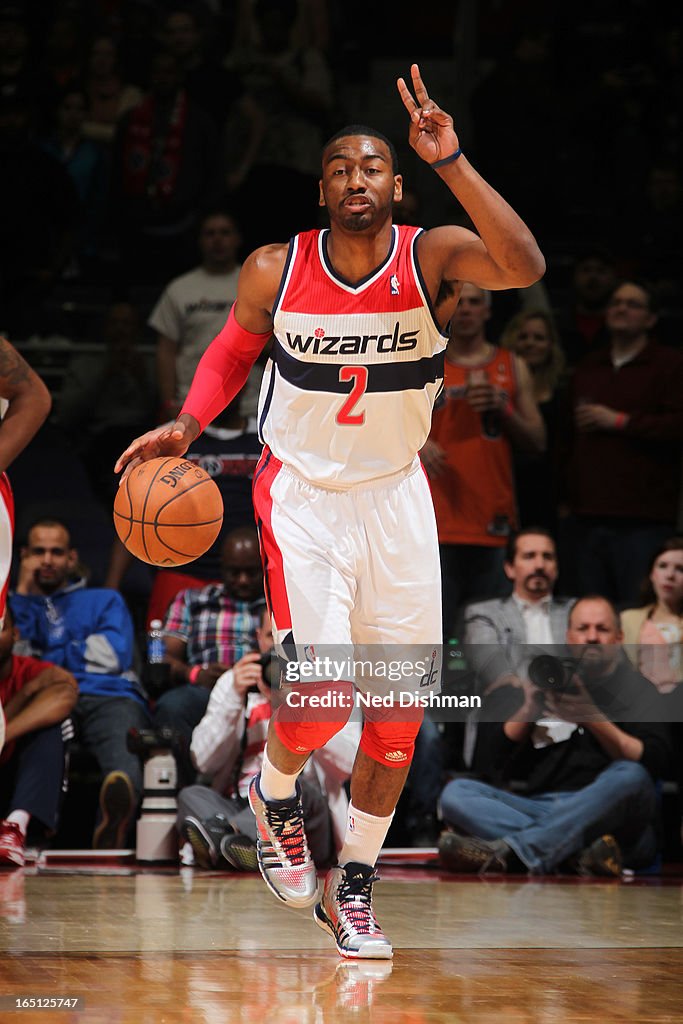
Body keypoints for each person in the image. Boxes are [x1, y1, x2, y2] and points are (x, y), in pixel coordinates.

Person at [115, 65, 545, 959]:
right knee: (317, 700)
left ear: (396, 184)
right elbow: (233, 348)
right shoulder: (276, 266)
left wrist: (452, 159)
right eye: (341, 167)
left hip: (396, 500)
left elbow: (523, 265)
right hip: (303, 496)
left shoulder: (433, 257)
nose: (358, 178)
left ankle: (352, 888)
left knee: (396, 720)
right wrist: (190, 422)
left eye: (375, 167)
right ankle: (272, 795)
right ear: (322, 189)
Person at [438, 597, 671, 876]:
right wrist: (529, 709)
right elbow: (490, 763)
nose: (592, 637)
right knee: (456, 794)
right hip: (543, 805)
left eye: (602, 629)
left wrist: (592, 717)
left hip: (609, 810)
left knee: (630, 774)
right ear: (568, 636)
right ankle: (575, 854)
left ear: (619, 637)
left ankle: (515, 853)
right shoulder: (555, 681)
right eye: (583, 628)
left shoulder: (638, 688)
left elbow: (654, 763)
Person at [178, 607, 359, 871]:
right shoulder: (235, 682)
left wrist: (301, 703)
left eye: (288, 638)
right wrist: (233, 698)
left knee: (294, 790)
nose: (278, 646)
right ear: (259, 639)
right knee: (191, 794)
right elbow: (203, 762)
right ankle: (239, 844)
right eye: (269, 636)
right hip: (239, 801)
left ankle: (225, 837)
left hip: (303, 814)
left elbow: (349, 765)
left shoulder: (331, 684)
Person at [9, 518, 150, 849]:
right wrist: (22, 594)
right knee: (42, 731)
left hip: (108, 694)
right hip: (50, 697)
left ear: (71, 558)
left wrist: (50, 655)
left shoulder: (103, 600)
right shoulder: (13, 606)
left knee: (122, 746)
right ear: (24, 556)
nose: (47, 560)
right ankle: (26, 831)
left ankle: (114, 822)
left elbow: (111, 657)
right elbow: (16, 661)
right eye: (39, 552)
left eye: (56, 552)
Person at [421, 283, 545, 638]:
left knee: (490, 635)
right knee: (436, 635)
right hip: (436, 519)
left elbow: (538, 441)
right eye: (458, 303)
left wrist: (504, 407)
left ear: (487, 311)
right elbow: (383, 428)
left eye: (474, 302)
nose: (466, 310)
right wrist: (417, 444)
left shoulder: (510, 364)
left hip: (491, 516)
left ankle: (494, 694)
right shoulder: (427, 362)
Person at [563, 280, 683, 605]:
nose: (621, 309)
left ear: (651, 318)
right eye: (615, 303)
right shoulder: (589, 367)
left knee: (636, 613)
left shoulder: (670, 365)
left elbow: (676, 426)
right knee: (592, 616)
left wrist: (619, 421)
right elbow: (566, 439)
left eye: (632, 304)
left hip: (644, 519)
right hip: (587, 515)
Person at [152, 527, 265, 784]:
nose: (244, 580)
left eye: (252, 572)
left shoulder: (277, 604)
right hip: (203, 688)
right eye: (235, 572)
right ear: (221, 568)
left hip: (263, 692)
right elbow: (163, 658)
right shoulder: (192, 600)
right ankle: (185, 791)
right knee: (173, 706)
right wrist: (195, 674)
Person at [147, 208, 262, 424]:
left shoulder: (257, 282)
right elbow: (166, 349)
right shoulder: (180, 288)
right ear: (199, 241)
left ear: (237, 239)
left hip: (251, 408)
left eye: (225, 233)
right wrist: (169, 403)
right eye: (210, 234)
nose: (217, 239)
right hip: (190, 409)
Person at [0, 608, 78, 867]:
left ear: (15, 634)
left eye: (0, 626)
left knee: (55, 726)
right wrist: (26, 696)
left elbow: (66, 693)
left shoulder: (30, 669)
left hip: (15, 775)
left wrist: (3, 736)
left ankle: (16, 828)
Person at [500, 308, 566, 530]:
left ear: (551, 345)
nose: (530, 343)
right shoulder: (498, 387)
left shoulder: (562, 392)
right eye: (523, 336)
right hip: (507, 478)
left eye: (539, 338)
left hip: (547, 485)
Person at [621, 537, 683, 694]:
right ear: (652, 574)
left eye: (680, 569)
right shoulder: (628, 619)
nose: (670, 575)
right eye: (663, 566)